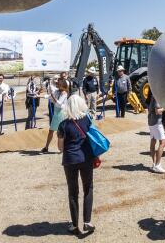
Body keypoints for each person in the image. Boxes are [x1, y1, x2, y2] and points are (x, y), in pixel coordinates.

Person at [57, 94, 97, 236]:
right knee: (88, 188)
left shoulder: (63, 125)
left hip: (69, 160)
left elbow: (60, 148)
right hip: (86, 158)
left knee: (73, 193)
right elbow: (94, 138)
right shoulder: (87, 120)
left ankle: (74, 225)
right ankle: (87, 221)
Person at [41, 78, 69, 153]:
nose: (57, 85)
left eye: (58, 84)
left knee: (61, 132)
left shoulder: (64, 93)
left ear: (62, 85)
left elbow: (59, 104)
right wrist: (39, 96)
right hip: (56, 113)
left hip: (62, 113)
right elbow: (49, 96)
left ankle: (63, 148)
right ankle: (46, 147)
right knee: (51, 130)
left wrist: (53, 97)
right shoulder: (57, 91)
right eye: (57, 84)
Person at [147, 91, 165, 173]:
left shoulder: (152, 96)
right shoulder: (157, 97)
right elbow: (157, 111)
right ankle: (158, 165)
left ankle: (154, 164)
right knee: (163, 143)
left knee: (153, 142)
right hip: (157, 123)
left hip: (151, 122)